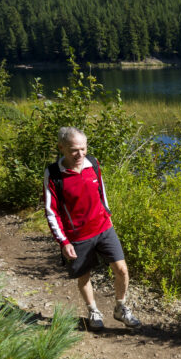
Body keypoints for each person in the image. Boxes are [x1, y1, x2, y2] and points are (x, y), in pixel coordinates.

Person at [44, 126, 140, 330]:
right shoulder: (53, 174)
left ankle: (120, 308)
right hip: (77, 236)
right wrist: (63, 242)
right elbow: (51, 211)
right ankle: (93, 310)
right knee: (84, 276)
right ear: (61, 147)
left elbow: (101, 193)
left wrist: (109, 216)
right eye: (73, 150)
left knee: (122, 270)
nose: (80, 154)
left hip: (104, 228)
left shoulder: (93, 164)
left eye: (83, 148)